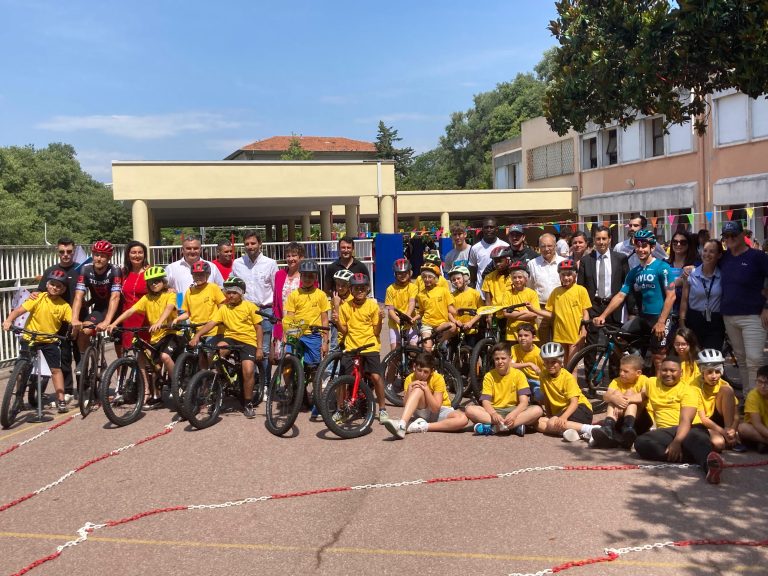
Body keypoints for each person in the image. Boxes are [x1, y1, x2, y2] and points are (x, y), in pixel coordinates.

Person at [594, 230, 676, 375]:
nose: (640, 249)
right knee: (617, 338)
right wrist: (603, 316)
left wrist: (662, 322)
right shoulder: (634, 272)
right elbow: (620, 295)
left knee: (658, 359)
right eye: (637, 246)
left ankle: (658, 394)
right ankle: (640, 370)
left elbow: (671, 296)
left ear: (652, 247)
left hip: (661, 318)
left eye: (644, 246)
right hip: (643, 318)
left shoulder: (662, 268)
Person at [633, 355, 725, 484]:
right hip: (666, 432)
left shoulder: (690, 391)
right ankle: (692, 456)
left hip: (690, 428)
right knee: (641, 442)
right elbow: (639, 397)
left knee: (698, 438)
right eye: (664, 370)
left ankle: (709, 467)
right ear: (659, 370)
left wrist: (677, 442)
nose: (668, 374)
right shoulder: (651, 383)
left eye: (673, 370)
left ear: (681, 373)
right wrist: (613, 397)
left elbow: (686, 420)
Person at [188, 276, 264, 419]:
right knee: (216, 351)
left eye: (234, 292)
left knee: (248, 370)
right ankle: (220, 379)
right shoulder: (223, 309)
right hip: (230, 338)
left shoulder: (250, 306)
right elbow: (211, 323)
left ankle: (248, 403)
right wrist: (197, 335)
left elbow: (258, 328)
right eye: (228, 292)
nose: (230, 295)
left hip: (248, 341)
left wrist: (259, 348)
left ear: (241, 293)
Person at [107, 266, 182, 409]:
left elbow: (169, 307)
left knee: (165, 357)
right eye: (151, 282)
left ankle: (176, 384)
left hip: (171, 333)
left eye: (157, 281)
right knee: (154, 367)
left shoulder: (170, 294)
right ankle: (157, 396)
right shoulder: (147, 298)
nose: (154, 284)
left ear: (164, 281)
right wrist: (114, 323)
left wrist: (160, 322)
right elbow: (130, 311)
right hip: (156, 337)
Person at [3, 269, 72, 413]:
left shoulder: (64, 306)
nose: (55, 288)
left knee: (55, 369)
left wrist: (77, 328)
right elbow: (18, 311)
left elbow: (73, 321)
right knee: (22, 369)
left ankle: (61, 400)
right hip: (30, 338)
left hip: (49, 340)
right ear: (47, 285)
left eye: (59, 286)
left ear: (63, 289)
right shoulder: (37, 298)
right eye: (52, 284)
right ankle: (18, 398)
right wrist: (9, 320)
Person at [719, 220, 768, 402]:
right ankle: (749, 399)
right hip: (729, 316)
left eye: (733, 235)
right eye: (726, 236)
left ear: (742, 235)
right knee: (741, 359)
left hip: (754, 315)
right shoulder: (723, 258)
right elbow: (705, 264)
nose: (730, 239)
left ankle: (758, 401)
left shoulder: (758, 257)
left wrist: (767, 307)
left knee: (754, 359)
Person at [578, 225, 630, 371]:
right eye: (598, 239)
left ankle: (614, 377)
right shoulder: (586, 260)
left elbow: (627, 285)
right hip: (593, 305)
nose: (601, 242)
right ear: (593, 240)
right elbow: (580, 288)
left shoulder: (620, 259)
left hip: (614, 306)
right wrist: (584, 313)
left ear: (610, 240)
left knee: (614, 345)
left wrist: (632, 311)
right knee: (591, 345)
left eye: (604, 239)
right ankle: (590, 379)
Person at [232, 230, 278, 390]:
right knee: (242, 349)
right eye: (247, 244)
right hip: (242, 313)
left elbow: (276, 290)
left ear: (260, 244)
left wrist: (277, 314)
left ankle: (265, 385)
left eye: (253, 243)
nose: (250, 246)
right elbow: (232, 286)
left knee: (263, 351)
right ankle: (246, 383)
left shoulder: (270, 264)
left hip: (264, 312)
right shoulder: (237, 263)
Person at [383, 352, 468, 438]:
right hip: (422, 411)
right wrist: (409, 390)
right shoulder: (409, 379)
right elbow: (405, 405)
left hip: (440, 410)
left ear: (431, 372)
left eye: (426, 372)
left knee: (463, 419)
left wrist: (427, 390)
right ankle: (402, 425)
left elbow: (436, 409)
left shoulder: (438, 378)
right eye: (419, 370)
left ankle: (419, 426)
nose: (422, 374)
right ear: (414, 367)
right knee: (418, 389)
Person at [337, 273, 387, 421]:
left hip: (369, 345)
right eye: (356, 288)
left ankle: (383, 408)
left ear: (367, 289)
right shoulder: (345, 306)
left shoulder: (373, 305)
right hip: (351, 346)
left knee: (376, 377)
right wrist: (337, 322)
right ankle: (341, 409)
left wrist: (380, 320)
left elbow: (377, 332)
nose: (360, 291)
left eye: (363, 288)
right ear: (351, 290)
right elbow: (344, 331)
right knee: (344, 379)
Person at [466, 342, 543, 435]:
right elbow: (485, 401)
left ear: (510, 359)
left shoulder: (519, 375)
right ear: (493, 360)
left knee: (537, 410)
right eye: (497, 359)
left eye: (503, 358)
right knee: (469, 410)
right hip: (495, 410)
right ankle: (515, 426)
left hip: (514, 410)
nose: (500, 361)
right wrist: (493, 414)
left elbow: (524, 402)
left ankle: (495, 428)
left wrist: (514, 414)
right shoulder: (489, 376)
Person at [36, 237, 80, 399]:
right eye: (62, 252)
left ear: (74, 251)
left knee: (80, 355)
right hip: (57, 320)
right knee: (64, 356)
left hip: (77, 317)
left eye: (69, 252)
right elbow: (41, 293)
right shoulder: (50, 271)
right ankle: (67, 390)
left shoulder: (81, 269)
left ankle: (85, 389)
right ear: (57, 251)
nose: (65, 255)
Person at [527, 260, 591, 365]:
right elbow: (551, 314)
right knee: (562, 365)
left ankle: (572, 382)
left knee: (572, 365)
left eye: (569, 275)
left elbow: (585, 313)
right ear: (559, 276)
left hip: (575, 333)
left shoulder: (581, 290)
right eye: (563, 275)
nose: (566, 278)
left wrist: (584, 331)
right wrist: (534, 310)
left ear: (575, 275)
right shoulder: (556, 292)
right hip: (560, 334)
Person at [71, 240, 123, 366]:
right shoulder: (85, 269)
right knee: (84, 332)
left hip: (116, 309)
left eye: (103, 256)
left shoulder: (115, 270)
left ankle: (121, 380)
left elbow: (115, 297)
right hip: (100, 309)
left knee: (119, 349)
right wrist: (74, 319)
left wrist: (107, 322)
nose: (99, 258)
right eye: (96, 255)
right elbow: (78, 296)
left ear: (109, 257)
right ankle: (85, 361)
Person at [535, 342, 597, 442]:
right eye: (546, 362)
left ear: (561, 362)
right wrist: (550, 415)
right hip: (563, 412)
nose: (550, 365)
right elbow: (546, 397)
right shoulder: (543, 375)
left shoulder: (568, 378)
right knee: (538, 423)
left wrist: (563, 417)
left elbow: (574, 402)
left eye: (553, 361)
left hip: (580, 409)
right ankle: (577, 433)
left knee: (551, 423)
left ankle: (592, 429)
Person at [590, 355, 650, 449]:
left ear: (638, 373)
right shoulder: (616, 381)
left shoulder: (644, 380)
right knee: (614, 395)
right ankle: (608, 428)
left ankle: (628, 428)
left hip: (639, 421)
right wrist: (615, 399)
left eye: (626, 371)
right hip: (619, 420)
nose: (621, 373)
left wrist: (623, 401)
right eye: (620, 370)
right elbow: (606, 396)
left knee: (630, 394)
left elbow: (642, 396)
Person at [679, 239, 725, 350]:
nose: (707, 254)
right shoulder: (691, 274)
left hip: (715, 321)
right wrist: (682, 324)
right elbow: (684, 300)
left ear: (719, 255)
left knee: (711, 358)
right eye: (705, 250)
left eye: (712, 251)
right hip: (694, 319)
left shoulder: (723, 275)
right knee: (694, 358)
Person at [284, 260, 330, 368]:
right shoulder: (294, 295)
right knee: (288, 364)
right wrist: (285, 336)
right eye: (305, 276)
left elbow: (324, 320)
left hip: (313, 334)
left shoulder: (321, 295)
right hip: (296, 332)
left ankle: (314, 382)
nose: (307, 279)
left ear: (315, 278)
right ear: (300, 276)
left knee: (313, 367)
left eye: (311, 276)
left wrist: (325, 342)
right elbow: (289, 317)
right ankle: (289, 385)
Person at [692, 349, 740, 452]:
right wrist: (723, 432)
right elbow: (703, 418)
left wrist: (732, 430)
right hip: (705, 423)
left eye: (717, 372)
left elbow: (736, 415)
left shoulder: (724, 384)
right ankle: (726, 439)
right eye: (709, 372)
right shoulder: (694, 386)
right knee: (718, 444)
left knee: (727, 390)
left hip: (722, 420)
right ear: (702, 371)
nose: (714, 376)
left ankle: (730, 436)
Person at [173, 260, 226, 345]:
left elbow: (222, 308)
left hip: (214, 331)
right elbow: (187, 313)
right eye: (195, 275)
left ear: (207, 275)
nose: (198, 277)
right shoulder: (189, 291)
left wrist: (218, 321)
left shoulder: (213, 288)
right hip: (196, 330)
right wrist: (177, 319)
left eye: (201, 275)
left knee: (209, 354)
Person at [527, 233, 565, 343]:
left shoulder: (563, 262)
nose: (546, 249)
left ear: (555, 246)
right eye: (543, 246)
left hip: (559, 309)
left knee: (560, 344)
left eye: (549, 246)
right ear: (539, 247)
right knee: (540, 343)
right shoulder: (533, 264)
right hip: (540, 309)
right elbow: (530, 288)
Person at [413, 263, 458, 351]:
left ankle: (439, 342)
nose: (427, 279)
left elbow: (450, 308)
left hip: (441, 324)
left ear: (435, 279)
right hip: (427, 325)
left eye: (430, 277)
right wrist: (414, 318)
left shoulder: (443, 291)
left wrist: (458, 312)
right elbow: (422, 312)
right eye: (424, 277)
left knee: (453, 327)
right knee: (427, 349)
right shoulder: (420, 295)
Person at [116, 241, 149, 356]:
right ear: (128, 255)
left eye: (140, 252)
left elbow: (163, 289)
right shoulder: (123, 273)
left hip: (146, 318)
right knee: (129, 353)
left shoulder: (149, 272)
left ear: (144, 255)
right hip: (128, 317)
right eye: (133, 252)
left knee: (146, 355)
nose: (137, 255)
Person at [273, 241, 305, 356]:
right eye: (288, 256)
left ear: (301, 257)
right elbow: (276, 302)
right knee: (285, 361)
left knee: (298, 358)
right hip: (283, 324)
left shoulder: (306, 276)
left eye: (294, 255)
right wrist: (277, 325)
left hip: (300, 324)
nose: (291, 259)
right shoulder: (279, 275)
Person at [468, 216, 508, 292]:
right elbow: (472, 269)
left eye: (491, 227)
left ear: (496, 229)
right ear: (482, 229)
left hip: (501, 291)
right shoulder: (475, 248)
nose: (489, 230)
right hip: (481, 292)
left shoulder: (505, 246)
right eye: (486, 227)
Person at [385, 259, 418, 347]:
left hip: (410, 321)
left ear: (409, 273)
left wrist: (406, 317)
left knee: (413, 350)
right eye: (399, 273)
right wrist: (399, 321)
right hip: (395, 323)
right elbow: (390, 309)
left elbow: (412, 302)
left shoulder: (413, 287)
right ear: (395, 274)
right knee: (395, 350)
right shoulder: (390, 289)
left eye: (405, 273)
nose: (402, 275)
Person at [503, 262, 539, 342]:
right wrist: (525, 312)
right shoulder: (507, 293)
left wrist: (514, 314)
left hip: (529, 333)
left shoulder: (532, 293)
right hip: (512, 333)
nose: (517, 280)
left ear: (526, 279)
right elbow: (506, 313)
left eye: (520, 277)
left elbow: (534, 314)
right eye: (514, 278)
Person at [448, 265, 483, 346]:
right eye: (453, 280)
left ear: (465, 278)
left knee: (473, 353)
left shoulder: (475, 293)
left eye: (458, 278)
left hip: (472, 329)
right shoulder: (451, 295)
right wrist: (455, 321)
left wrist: (471, 323)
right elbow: (449, 312)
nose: (456, 281)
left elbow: (481, 311)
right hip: (457, 329)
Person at [510, 323, 544, 402]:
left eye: (526, 335)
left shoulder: (539, 353)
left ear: (533, 338)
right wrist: (529, 364)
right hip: (522, 379)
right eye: (520, 336)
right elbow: (510, 365)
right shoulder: (514, 348)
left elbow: (543, 373)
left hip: (536, 381)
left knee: (540, 397)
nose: (522, 338)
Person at [737, 365, 768, 451]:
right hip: (757, 429)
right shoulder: (752, 396)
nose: (762, 386)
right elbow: (757, 424)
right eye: (760, 382)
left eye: (766, 383)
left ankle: (762, 443)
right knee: (742, 428)